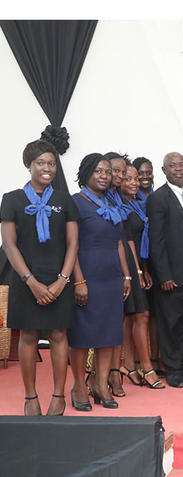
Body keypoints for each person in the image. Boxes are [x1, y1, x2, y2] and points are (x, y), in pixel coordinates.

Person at [0, 140, 79, 416]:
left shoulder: (63, 199)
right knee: (29, 336)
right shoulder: (11, 199)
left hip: (59, 278)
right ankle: (30, 397)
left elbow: (73, 245)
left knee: (59, 335)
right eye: (41, 163)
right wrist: (31, 281)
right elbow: (9, 245)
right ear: (28, 165)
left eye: (52, 163)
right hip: (25, 280)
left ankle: (59, 396)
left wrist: (62, 281)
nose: (48, 168)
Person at [68, 153, 131, 410]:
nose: (104, 176)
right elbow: (70, 246)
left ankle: (101, 384)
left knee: (108, 336)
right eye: (98, 171)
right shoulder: (76, 202)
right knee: (83, 336)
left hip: (111, 278)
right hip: (88, 277)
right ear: (86, 173)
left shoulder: (112, 203)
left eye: (107, 172)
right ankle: (79, 386)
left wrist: (125, 276)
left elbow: (118, 242)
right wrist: (78, 281)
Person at [147, 152, 183, 388]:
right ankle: (171, 369)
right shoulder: (158, 198)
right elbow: (156, 241)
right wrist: (164, 275)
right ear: (164, 170)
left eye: (182, 164)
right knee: (169, 323)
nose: (179, 169)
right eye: (173, 166)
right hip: (171, 274)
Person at [120, 164, 163, 389]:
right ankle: (146, 368)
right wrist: (136, 270)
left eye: (136, 179)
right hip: (126, 263)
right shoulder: (119, 206)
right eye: (128, 179)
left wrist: (144, 269)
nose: (134, 183)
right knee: (140, 315)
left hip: (137, 262)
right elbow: (126, 240)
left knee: (133, 316)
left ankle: (128, 365)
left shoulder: (136, 204)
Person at [103, 152, 131, 397]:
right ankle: (97, 377)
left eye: (123, 171)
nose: (119, 175)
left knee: (116, 325)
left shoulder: (117, 198)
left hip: (118, 264)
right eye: (115, 171)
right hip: (96, 267)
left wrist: (127, 274)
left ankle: (114, 371)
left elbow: (120, 239)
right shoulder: (95, 198)